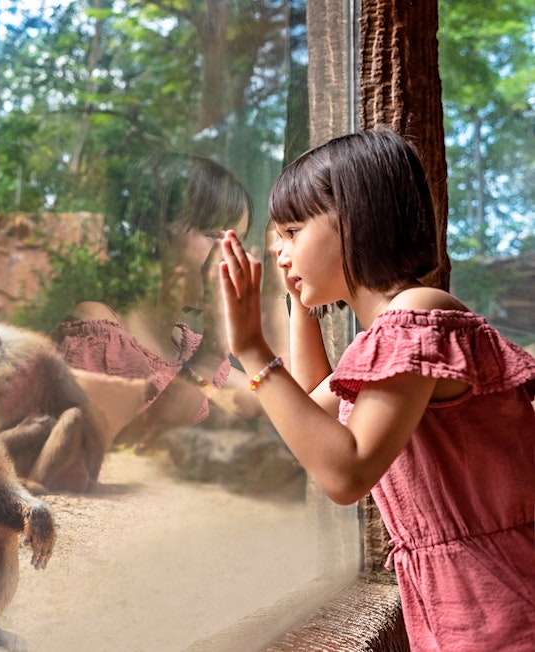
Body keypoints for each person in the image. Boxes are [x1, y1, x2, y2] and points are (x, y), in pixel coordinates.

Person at [218, 126, 535, 650]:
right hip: (468, 601)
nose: (278, 252)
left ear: (355, 223)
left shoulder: (416, 318)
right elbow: (315, 407)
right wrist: (299, 302)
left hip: (502, 602)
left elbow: (344, 473)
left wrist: (252, 348)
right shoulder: (391, 334)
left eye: (293, 232)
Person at [53, 154, 260, 451]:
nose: (231, 256)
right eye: (215, 236)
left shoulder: (184, 346)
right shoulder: (97, 329)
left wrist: (279, 294)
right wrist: (213, 349)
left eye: (237, 242)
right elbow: (122, 456)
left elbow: (278, 407)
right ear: (154, 237)